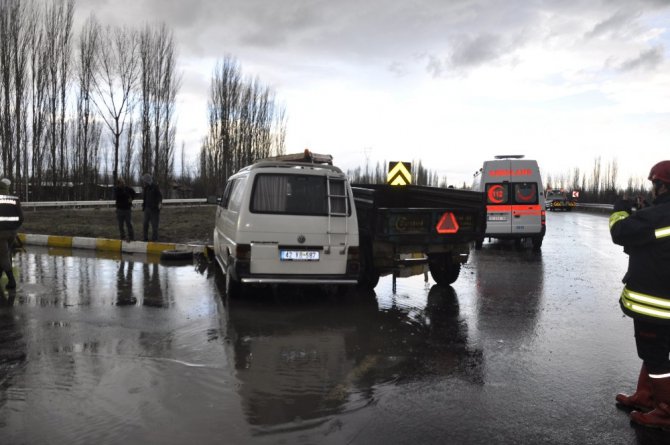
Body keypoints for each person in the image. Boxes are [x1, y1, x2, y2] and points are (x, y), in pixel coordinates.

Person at [610, 160, 670, 429]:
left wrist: (621, 211)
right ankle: (646, 397)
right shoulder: (659, 215)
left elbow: (621, 232)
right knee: (654, 350)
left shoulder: (659, 216)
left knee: (656, 356)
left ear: (661, 185)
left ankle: (666, 411)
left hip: (656, 302)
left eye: (654, 184)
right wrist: (647, 213)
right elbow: (651, 237)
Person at [0, 178, 23, 289]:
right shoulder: (14, 199)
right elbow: (21, 218)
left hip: (1, 234)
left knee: (3, 256)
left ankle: (12, 281)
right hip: (12, 233)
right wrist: (14, 227)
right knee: (5, 254)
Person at [141, 173, 162, 242]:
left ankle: (154, 239)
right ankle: (145, 238)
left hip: (154, 210)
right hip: (147, 209)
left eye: (144, 180)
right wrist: (144, 206)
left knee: (154, 225)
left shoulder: (155, 187)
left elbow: (160, 196)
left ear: (147, 180)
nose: (144, 182)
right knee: (145, 224)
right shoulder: (145, 188)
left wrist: (159, 204)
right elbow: (144, 198)